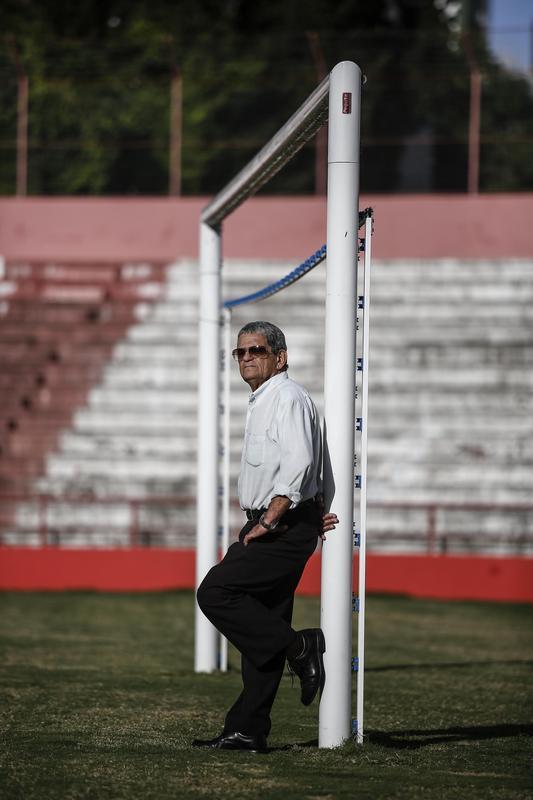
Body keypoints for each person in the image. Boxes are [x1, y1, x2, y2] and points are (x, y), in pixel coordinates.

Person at [194, 321, 338, 754]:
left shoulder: (287, 396)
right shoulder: (265, 399)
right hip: (276, 522)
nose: (247, 358)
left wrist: (272, 518)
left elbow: (299, 462)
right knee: (264, 625)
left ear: (280, 357)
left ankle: (300, 646)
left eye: (256, 350)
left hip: (279, 525)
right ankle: (247, 730)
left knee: (215, 592)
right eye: (240, 352)